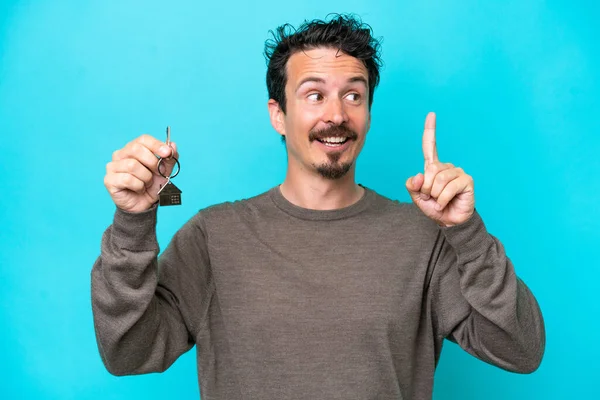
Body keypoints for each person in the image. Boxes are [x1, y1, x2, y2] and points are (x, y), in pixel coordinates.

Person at [91, 14, 545, 400]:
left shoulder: (423, 238)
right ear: (278, 115)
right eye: (314, 94)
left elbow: (521, 350)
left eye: (354, 95)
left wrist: (466, 232)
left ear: (368, 112)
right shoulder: (214, 237)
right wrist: (133, 222)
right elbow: (126, 352)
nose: (337, 114)